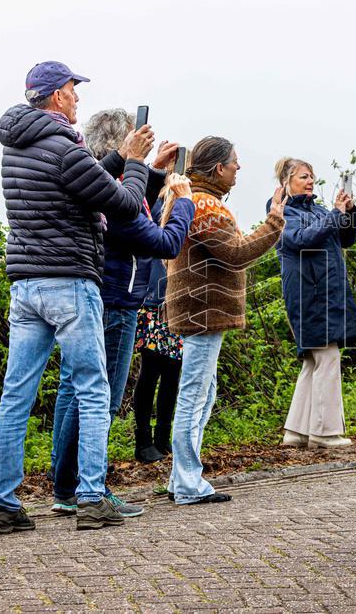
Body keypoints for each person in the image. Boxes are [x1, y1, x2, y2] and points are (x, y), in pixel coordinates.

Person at [0, 62, 152, 533]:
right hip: (71, 284)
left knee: (16, 393)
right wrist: (137, 163)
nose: (78, 98)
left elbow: (81, 182)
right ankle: (91, 497)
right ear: (58, 95)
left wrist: (118, 158)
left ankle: (3, 504)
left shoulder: (17, 147)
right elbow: (118, 204)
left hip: (26, 286)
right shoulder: (64, 146)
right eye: (74, 90)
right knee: (92, 389)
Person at [49, 109, 195, 517]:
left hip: (95, 294)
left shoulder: (96, 184)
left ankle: (64, 486)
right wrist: (183, 202)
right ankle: (88, 487)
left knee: (72, 391)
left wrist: (150, 171)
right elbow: (159, 239)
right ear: (121, 144)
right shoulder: (111, 192)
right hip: (115, 300)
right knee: (102, 398)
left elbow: (135, 204)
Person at [165, 136, 286, 504]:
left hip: (198, 311)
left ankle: (181, 478)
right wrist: (274, 222)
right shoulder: (206, 206)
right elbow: (236, 254)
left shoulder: (194, 200)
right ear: (218, 168)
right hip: (203, 312)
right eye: (235, 162)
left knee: (203, 393)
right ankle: (187, 483)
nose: (238, 169)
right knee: (194, 395)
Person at [271, 157, 356, 449]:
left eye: (311, 177)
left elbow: (346, 239)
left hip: (328, 292)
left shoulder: (320, 210)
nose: (310, 181)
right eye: (303, 177)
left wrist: (347, 212)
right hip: (308, 293)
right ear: (286, 182)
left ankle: (296, 431)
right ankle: (324, 431)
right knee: (327, 356)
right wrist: (334, 215)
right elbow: (300, 239)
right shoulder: (283, 212)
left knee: (314, 359)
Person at [132, 226, 185, 463]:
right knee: (150, 371)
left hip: (179, 303)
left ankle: (163, 437)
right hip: (153, 301)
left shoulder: (187, 206)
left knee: (172, 372)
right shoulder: (154, 206)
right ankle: (143, 441)